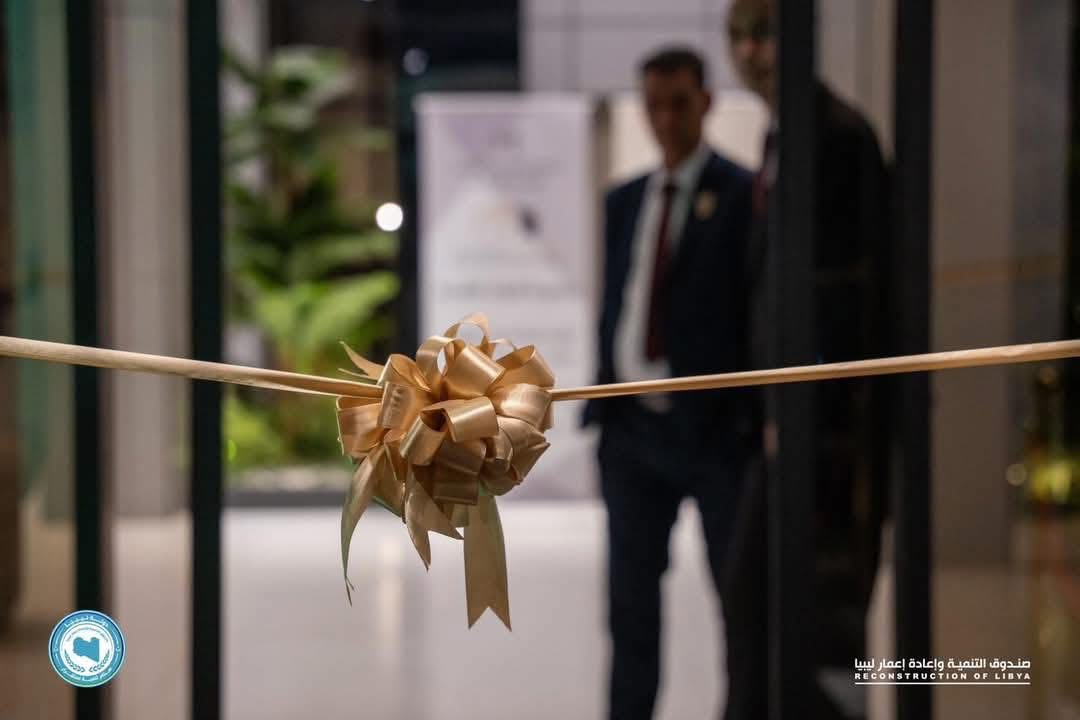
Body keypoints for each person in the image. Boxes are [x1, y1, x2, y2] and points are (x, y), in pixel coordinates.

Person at [722, 1, 893, 718]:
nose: (750, 52)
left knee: (818, 619)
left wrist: (803, 410)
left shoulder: (838, 137)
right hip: (790, 426)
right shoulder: (787, 136)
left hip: (828, 434)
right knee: (757, 605)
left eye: (764, 34)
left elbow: (854, 297)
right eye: (739, 37)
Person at [581, 47, 755, 720]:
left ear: (705, 103)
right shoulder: (625, 200)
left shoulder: (743, 195)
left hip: (714, 434)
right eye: (653, 106)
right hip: (632, 434)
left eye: (678, 104)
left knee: (738, 601)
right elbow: (619, 300)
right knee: (629, 607)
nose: (665, 120)